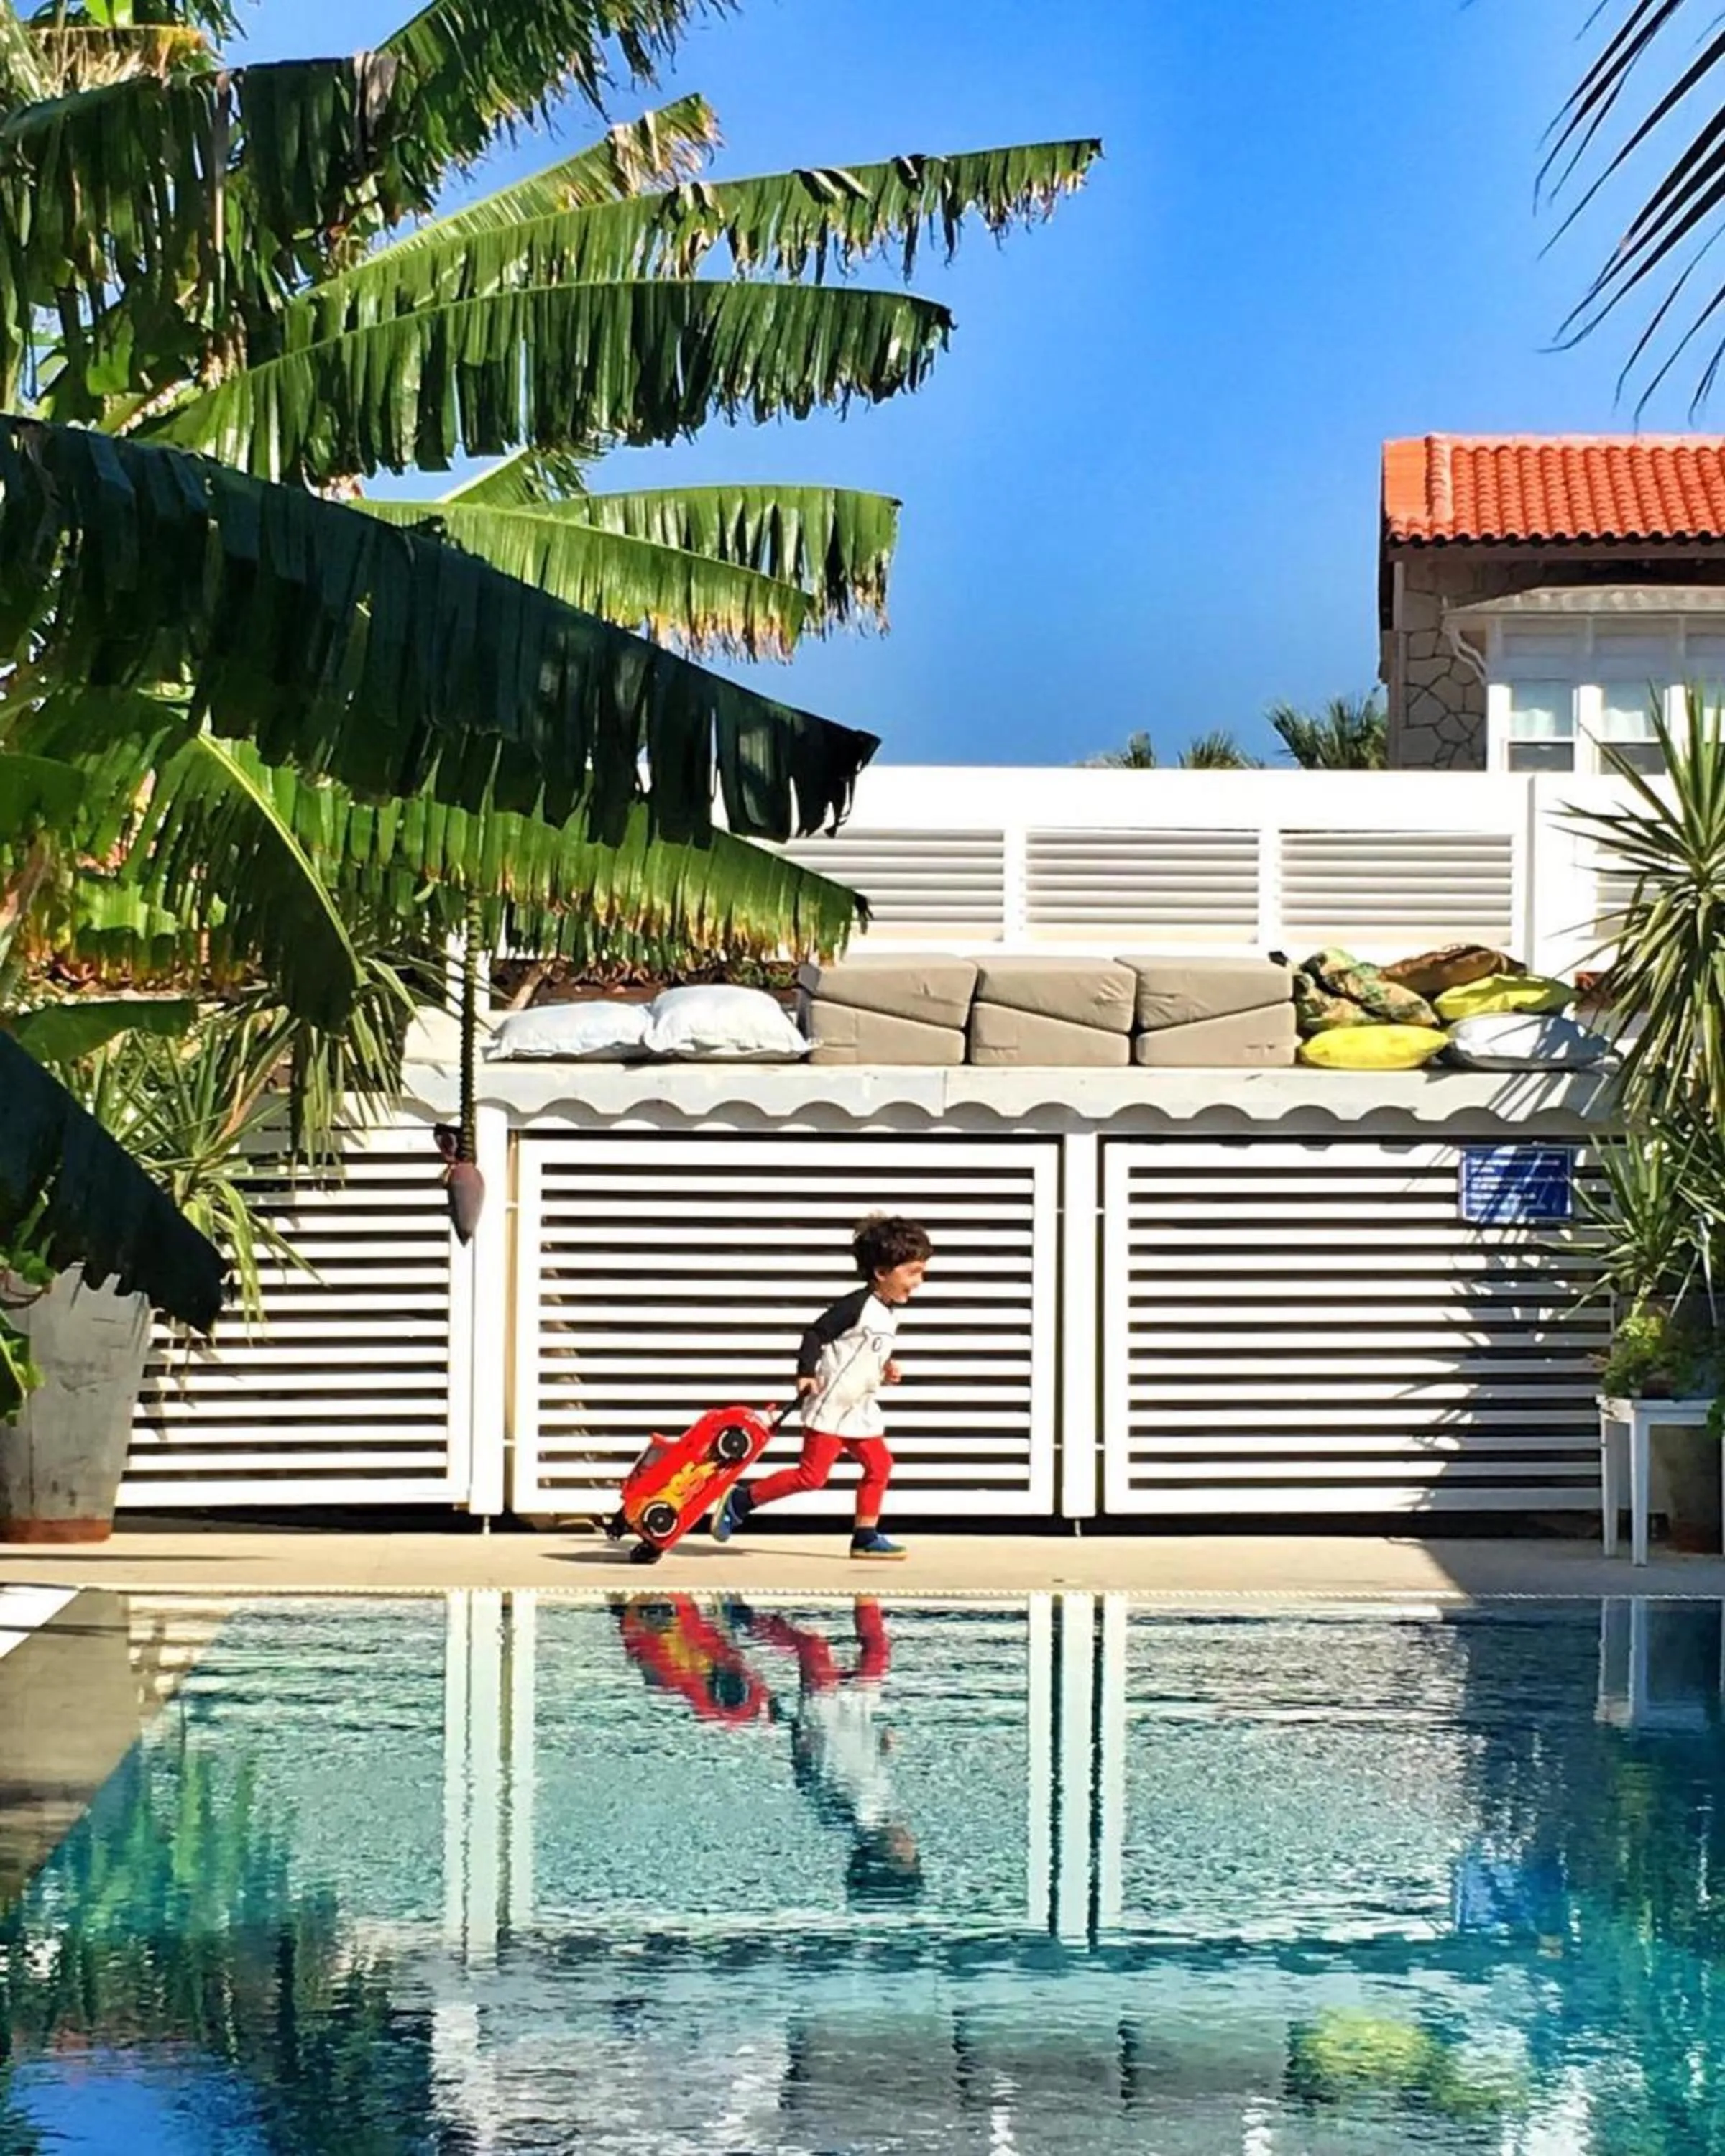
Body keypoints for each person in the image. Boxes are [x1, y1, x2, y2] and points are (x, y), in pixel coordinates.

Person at [712, 1213, 931, 1560]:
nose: (920, 1280)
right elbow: (816, 1333)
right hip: (831, 1406)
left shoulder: (890, 1314)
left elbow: (862, 1355)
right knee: (811, 1477)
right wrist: (806, 1372)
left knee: (880, 1466)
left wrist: (884, 1371)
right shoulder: (857, 1306)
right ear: (881, 1273)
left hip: (858, 1409)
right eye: (913, 1272)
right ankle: (741, 1499)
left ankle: (865, 1535)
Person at [727, 1597, 923, 1908]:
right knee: (876, 1651)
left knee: (813, 1646)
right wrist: (881, 1747)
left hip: (826, 1715)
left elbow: (810, 1772)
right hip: (857, 1713)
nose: (911, 1841)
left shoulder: (854, 1815)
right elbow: (861, 1768)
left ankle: (744, 1621)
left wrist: (798, 1731)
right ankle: (866, 1594)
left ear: (882, 1853)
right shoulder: (875, 1812)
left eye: (906, 1851)